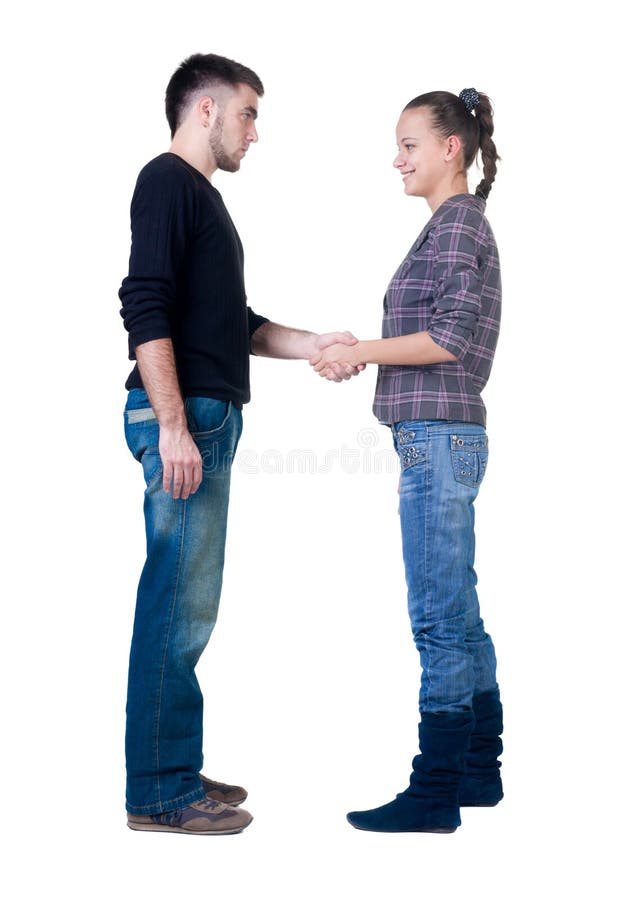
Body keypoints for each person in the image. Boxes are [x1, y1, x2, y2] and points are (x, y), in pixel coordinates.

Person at [119, 52, 360, 836]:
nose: (256, 132)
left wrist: (316, 341)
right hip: (181, 418)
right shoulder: (166, 181)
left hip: (200, 415)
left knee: (189, 605)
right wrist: (176, 426)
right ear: (206, 110)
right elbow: (144, 305)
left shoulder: (203, 202)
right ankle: (158, 791)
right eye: (249, 113)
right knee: (176, 609)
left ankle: (173, 764)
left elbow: (241, 325)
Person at [311, 88, 504, 833]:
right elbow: (434, 336)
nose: (398, 158)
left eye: (409, 144)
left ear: (450, 149)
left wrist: (357, 352)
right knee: (458, 606)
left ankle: (435, 791)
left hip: (437, 438)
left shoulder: (456, 228)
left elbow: (449, 338)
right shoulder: (456, 227)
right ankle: (477, 772)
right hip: (443, 436)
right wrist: (364, 352)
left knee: (439, 618)